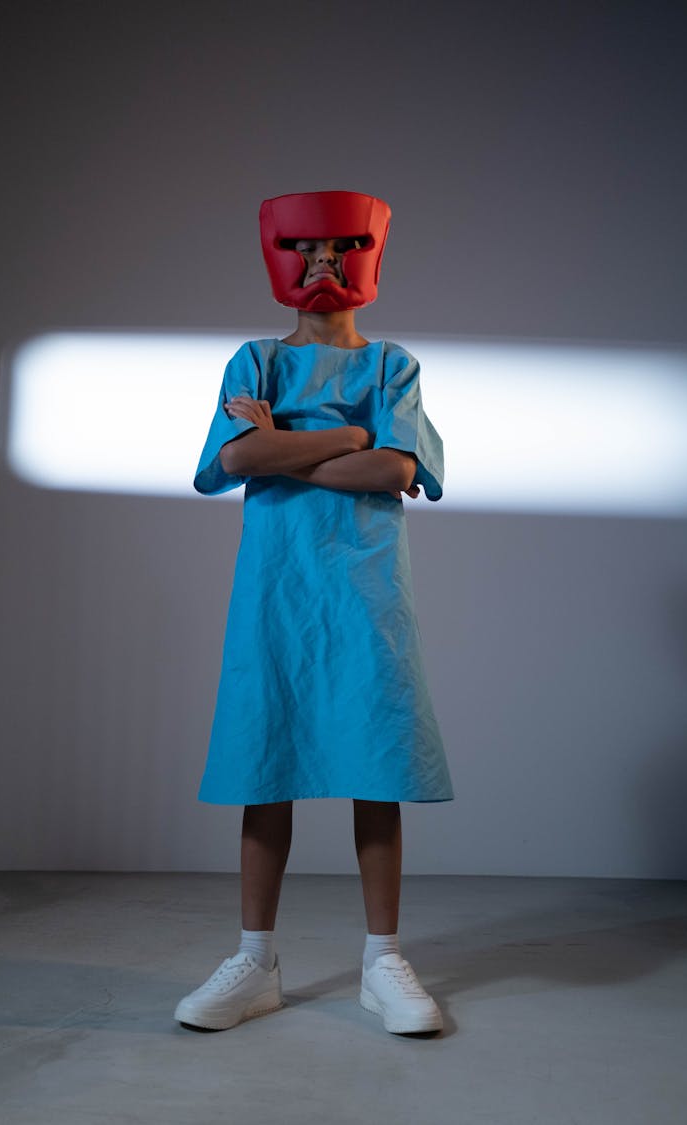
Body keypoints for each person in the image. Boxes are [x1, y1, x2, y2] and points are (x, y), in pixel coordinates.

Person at [175, 191, 453, 1036]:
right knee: (270, 761)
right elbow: (231, 458)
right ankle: (255, 959)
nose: (323, 265)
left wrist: (289, 445)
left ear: (366, 256)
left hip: (366, 587)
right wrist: (347, 439)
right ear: (281, 254)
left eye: (342, 248)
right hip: (277, 587)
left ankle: (383, 960)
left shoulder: (391, 367)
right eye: (308, 248)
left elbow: (393, 472)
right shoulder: (253, 363)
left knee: (376, 765)